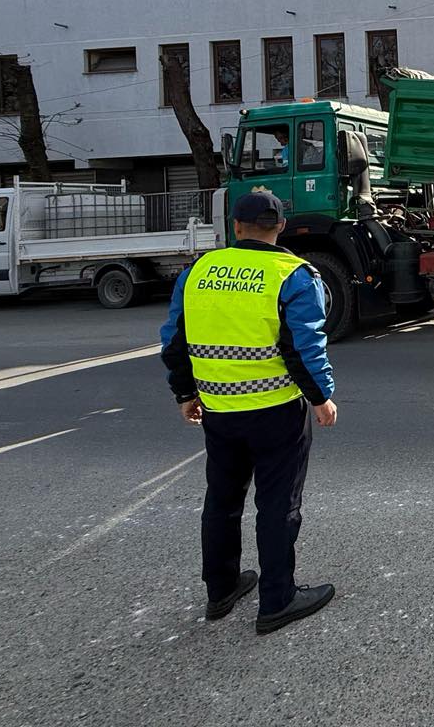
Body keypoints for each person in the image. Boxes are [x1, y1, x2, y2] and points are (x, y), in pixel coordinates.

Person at [160, 189, 338, 635]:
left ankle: (220, 590)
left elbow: (174, 341)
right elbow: (303, 345)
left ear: (235, 227)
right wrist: (321, 397)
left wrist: (185, 393)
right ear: (279, 227)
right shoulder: (293, 274)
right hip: (277, 409)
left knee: (221, 500)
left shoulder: (197, 271)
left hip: (218, 409)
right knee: (278, 504)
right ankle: (277, 600)